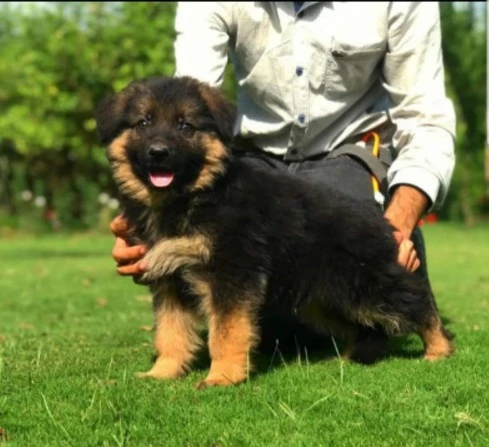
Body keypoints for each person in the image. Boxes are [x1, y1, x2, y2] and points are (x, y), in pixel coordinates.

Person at [109, 2, 455, 356]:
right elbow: (190, 96)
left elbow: (425, 117)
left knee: (357, 262)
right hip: (255, 163)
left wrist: (396, 225)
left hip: (348, 157)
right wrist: (153, 231)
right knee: (272, 326)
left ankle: (410, 322)